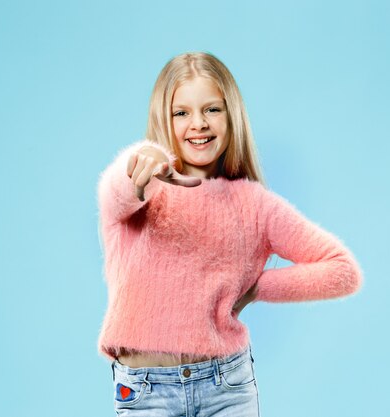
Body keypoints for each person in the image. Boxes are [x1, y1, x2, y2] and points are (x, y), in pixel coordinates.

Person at [96, 51, 363, 416]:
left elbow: (343, 270)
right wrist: (142, 164)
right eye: (181, 112)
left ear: (231, 115)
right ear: (163, 118)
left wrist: (259, 288)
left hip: (226, 385)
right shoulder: (143, 190)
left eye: (212, 110)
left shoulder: (255, 205)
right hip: (145, 391)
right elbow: (118, 193)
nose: (198, 124)